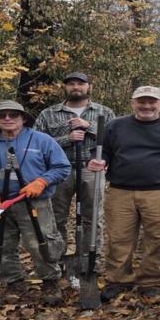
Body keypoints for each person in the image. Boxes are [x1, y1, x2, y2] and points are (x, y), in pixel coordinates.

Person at [85, 86, 160, 303]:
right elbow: (102, 150)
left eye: (152, 102)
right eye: (141, 101)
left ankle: (152, 281)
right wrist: (97, 160)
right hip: (120, 191)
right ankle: (118, 279)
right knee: (119, 238)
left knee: (157, 238)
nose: (147, 106)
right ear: (133, 103)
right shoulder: (115, 126)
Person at [0, 100, 71, 301]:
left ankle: (50, 282)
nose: (7, 118)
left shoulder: (42, 140)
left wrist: (42, 181)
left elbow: (62, 167)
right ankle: (14, 283)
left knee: (41, 242)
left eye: (13, 115)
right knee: (0, 244)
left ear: (23, 118)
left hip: (34, 202)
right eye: (1, 115)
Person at [34, 71, 118, 289]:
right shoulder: (48, 114)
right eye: (71, 84)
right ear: (65, 87)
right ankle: (58, 262)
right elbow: (36, 143)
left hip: (92, 169)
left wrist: (89, 127)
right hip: (58, 171)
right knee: (56, 218)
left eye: (80, 84)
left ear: (89, 87)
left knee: (92, 218)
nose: (75, 87)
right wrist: (66, 138)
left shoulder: (104, 112)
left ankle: (89, 264)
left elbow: (115, 140)